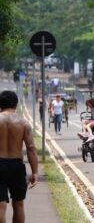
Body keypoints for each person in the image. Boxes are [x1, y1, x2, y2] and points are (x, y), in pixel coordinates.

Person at [0, 90, 39, 223]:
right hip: (16, 166)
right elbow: (31, 148)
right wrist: (35, 172)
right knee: (18, 205)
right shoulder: (23, 123)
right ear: (16, 104)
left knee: (0, 206)